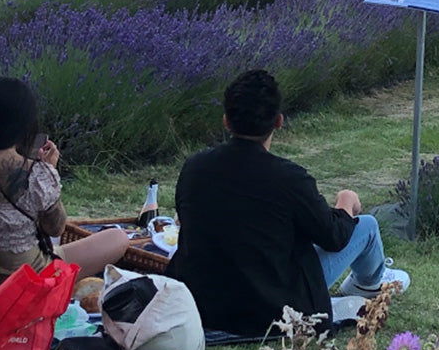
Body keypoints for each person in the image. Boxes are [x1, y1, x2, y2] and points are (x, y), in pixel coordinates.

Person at [168, 69, 409, 336]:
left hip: (204, 301)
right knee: (366, 226)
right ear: (279, 121)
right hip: (270, 304)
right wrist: (345, 203)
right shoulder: (289, 179)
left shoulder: (194, 168)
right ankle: (371, 282)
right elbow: (334, 237)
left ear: (226, 121)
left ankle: (369, 282)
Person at [0, 79, 129, 299]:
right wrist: (49, 173)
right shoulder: (35, 173)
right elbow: (55, 228)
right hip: (25, 282)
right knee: (118, 238)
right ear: (25, 123)